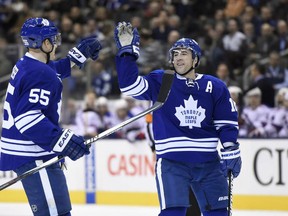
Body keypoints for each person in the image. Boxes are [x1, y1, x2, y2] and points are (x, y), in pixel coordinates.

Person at [114, 21, 242, 216]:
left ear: (196, 59)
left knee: (218, 212)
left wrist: (230, 147)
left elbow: (226, 122)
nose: (178, 58)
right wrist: (127, 54)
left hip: (209, 162)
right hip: (172, 163)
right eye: (175, 54)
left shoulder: (214, 86)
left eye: (184, 53)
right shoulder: (162, 81)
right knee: (173, 213)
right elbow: (129, 86)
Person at [0, 17, 101, 216]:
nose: (56, 43)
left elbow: (51, 71)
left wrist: (76, 57)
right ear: (44, 43)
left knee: (59, 212)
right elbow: (27, 119)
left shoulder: (26, 64)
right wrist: (62, 140)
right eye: (53, 40)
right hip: (33, 154)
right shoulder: (39, 73)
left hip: (27, 151)